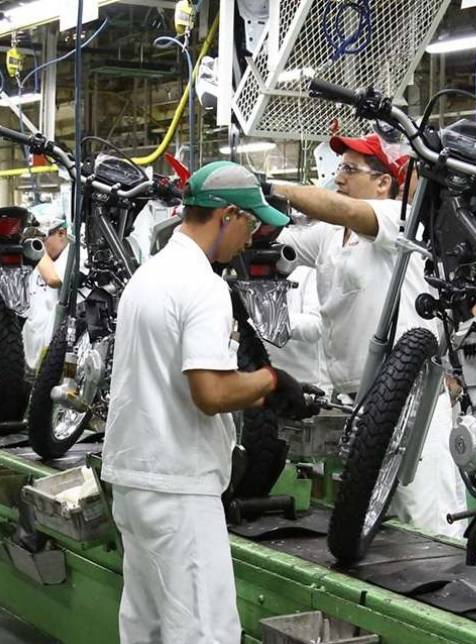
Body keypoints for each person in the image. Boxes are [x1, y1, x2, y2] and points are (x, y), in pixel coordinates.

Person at [101, 161, 320, 643]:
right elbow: (210, 393)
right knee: (205, 632)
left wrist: (257, 391)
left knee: (146, 627)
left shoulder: (149, 275)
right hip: (179, 486)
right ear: (227, 215)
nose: (250, 239)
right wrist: (270, 380)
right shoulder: (204, 286)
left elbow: (172, 379)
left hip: (135, 480)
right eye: (250, 225)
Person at [271, 133, 468, 537]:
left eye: (349, 168)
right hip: (361, 404)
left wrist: (272, 187)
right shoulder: (330, 235)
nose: (338, 177)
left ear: (383, 182)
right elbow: (280, 244)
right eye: (338, 168)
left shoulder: (399, 218)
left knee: (428, 517)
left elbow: (342, 208)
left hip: (411, 398)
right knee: (377, 522)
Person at [23, 218, 71, 371]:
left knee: (68, 380)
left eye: (43, 239)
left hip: (61, 351)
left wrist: (37, 250)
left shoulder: (72, 253)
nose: (41, 245)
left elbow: (54, 279)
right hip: (33, 355)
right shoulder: (47, 261)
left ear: (61, 233)